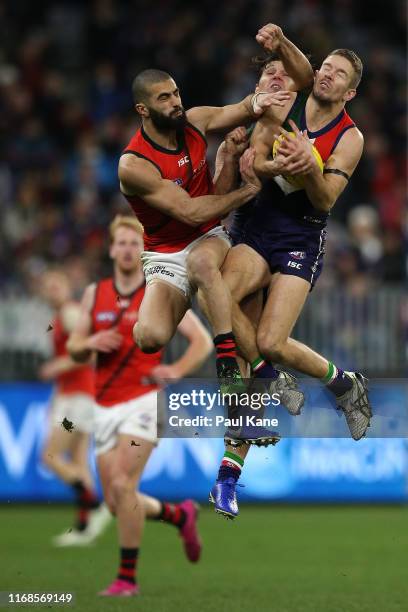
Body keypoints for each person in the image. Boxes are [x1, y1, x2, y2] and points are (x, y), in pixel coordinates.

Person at [211, 36, 372, 518]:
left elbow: (324, 201)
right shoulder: (287, 105)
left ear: (349, 93)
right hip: (257, 228)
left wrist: (309, 167)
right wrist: (273, 163)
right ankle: (227, 477)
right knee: (219, 296)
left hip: (301, 237)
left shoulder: (351, 137)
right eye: (324, 67)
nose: (326, 74)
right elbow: (255, 163)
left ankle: (343, 383)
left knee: (270, 344)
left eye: (338, 74)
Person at [118, 27, 299, 399]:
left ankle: (231, 362)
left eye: (176, 93)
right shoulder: (134, 164)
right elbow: (187, 210)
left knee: (202, 265)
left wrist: (265, 97)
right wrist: (247, 190)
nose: (175, 103)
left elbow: (241, 108)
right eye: (164, 98)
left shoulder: (195, 121)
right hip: (164, 254)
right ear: (143, 109)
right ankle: (173, 300)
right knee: (149, 338)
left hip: (207, 237)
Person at [67, 215, 213, 596]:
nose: (129, 249)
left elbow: (202, 341)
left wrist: (176, 369)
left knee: (121, 484)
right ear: (112, 248)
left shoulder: (159, 290)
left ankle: (126, 579)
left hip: (144, 403)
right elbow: (73, 347)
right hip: (104, 406)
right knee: (117, 502)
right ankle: (180, 515)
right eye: (123, 243)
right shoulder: (93, 294)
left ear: (143, 247)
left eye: (136, 242)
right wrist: (90, 344)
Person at [39, 269, 111, 545]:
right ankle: (84, 528)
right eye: (47, 286)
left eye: (56, 283)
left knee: (51, 456)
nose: (51, 290)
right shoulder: (61, 317)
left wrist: (60, 365)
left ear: (67, 286)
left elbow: (90, 353)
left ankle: (94, 505)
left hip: (78, 399)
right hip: (76, 396)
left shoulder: (69, 314)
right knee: (79, 461)